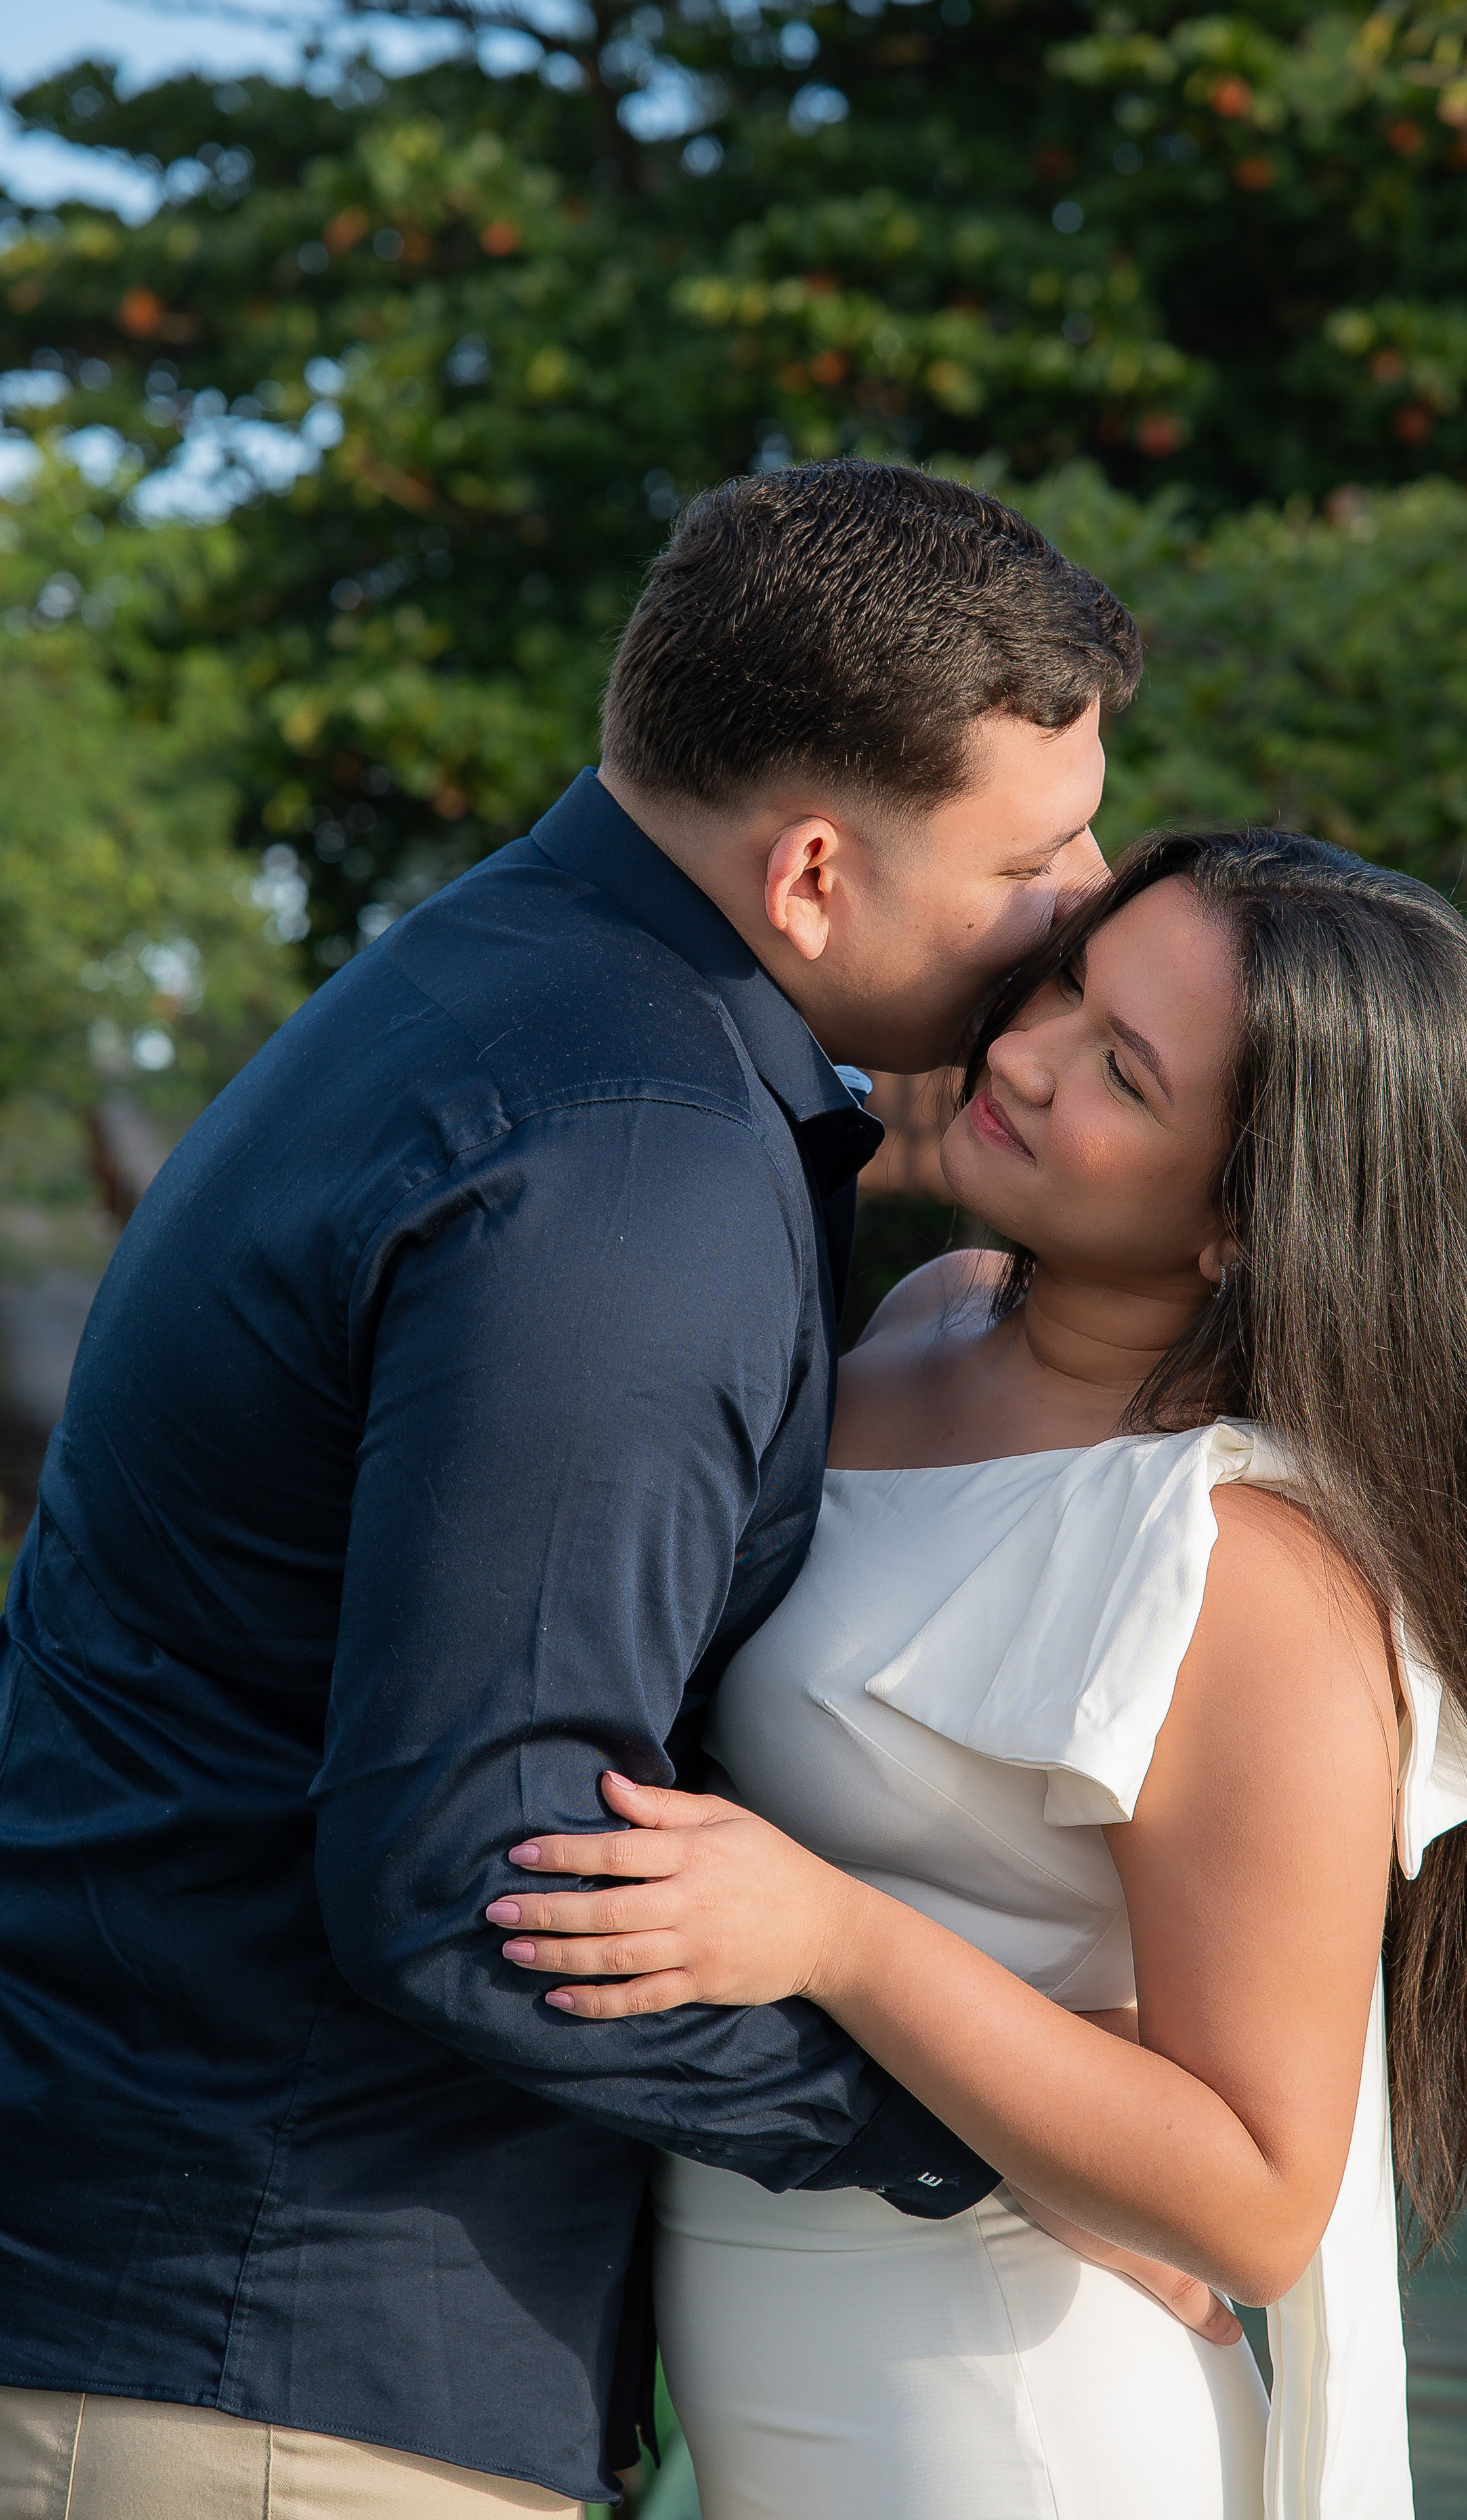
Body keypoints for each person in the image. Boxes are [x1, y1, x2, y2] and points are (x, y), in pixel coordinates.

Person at [0, 461, 1195, 2518]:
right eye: (1040, 852)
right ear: (812, 871)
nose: (1084, 904)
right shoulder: (632, 1164)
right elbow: (482, 1882)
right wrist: (992, 2146)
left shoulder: (490, 982)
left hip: (209, 2278)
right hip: (280, 2359)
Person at [487, 828, 1467, 2520]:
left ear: (1244, 1222)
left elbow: (1259, 2194)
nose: (1019, 1051)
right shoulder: (929, 1311)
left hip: (1005, 2411)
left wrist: (840, 1937)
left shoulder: (1249, 1566)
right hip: (772, 2345)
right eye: (1071, 980)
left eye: (1122, 1072)